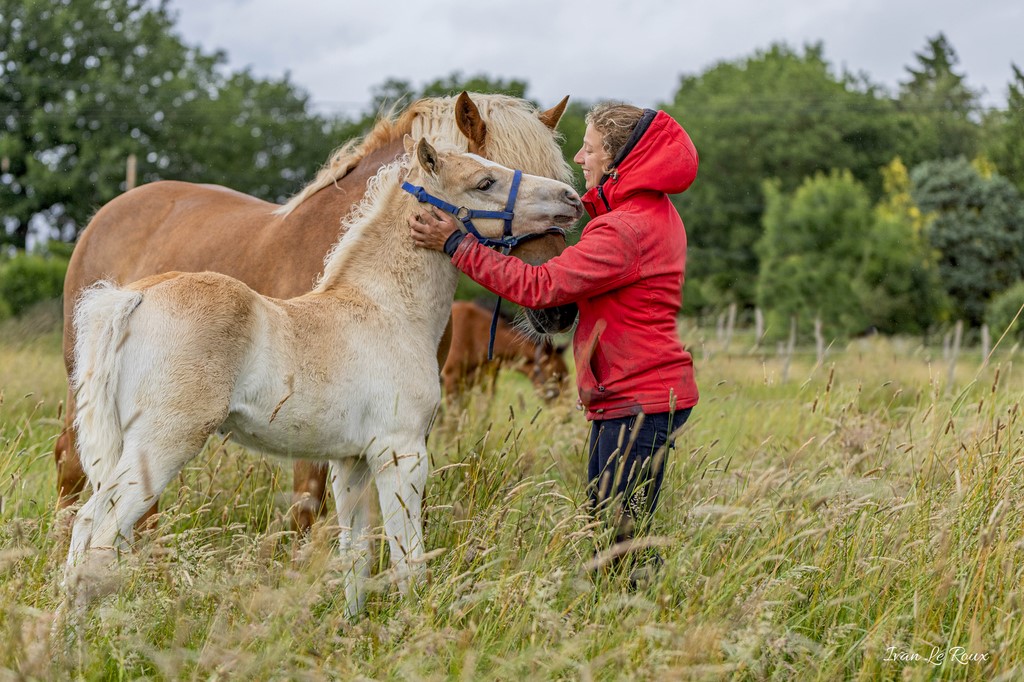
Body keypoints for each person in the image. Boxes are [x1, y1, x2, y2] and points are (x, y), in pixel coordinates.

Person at [409, 102, 699, 562]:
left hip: (636, 398)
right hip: (633, 394)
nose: (581, 159)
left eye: (589, 149)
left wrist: (456, 244)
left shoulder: (624, 231)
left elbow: (539, 286)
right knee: (612, 523)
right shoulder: (648, 212)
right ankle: (628, 614)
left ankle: (638, 618)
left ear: (619, 160)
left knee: (619, 535)